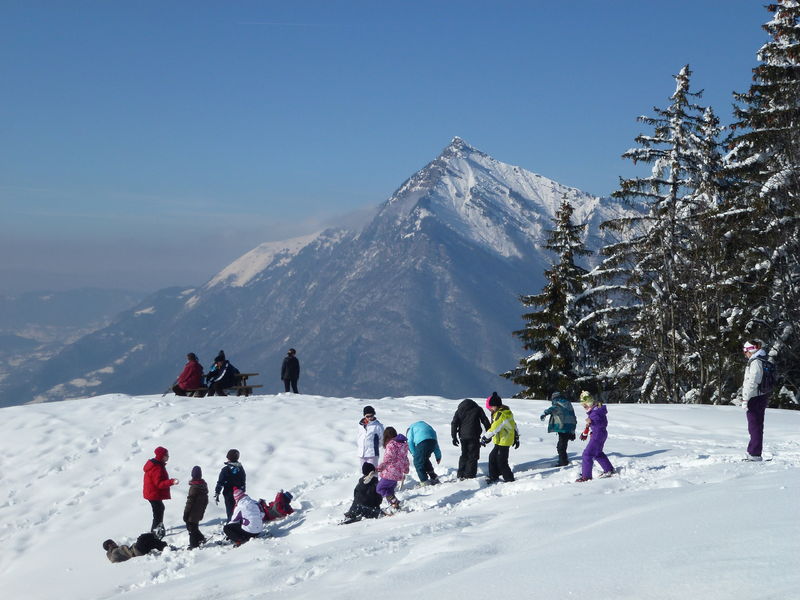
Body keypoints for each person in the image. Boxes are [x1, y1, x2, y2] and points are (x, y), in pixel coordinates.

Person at [575, 391, 615, 482]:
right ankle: (609, 469)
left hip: (598, 434)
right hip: (600, 433)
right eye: (582, 405)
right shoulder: (596, 410)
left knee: (587, 454)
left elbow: (602, 422)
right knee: (597, 453)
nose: (584, 407)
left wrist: (592, 421)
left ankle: (586, 476)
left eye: (585, 405)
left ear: (589, 403)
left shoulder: (595, 412)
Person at [480, 393, 518, 483]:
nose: (490, 409)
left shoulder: (501, 415)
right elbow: (515, 426)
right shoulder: (506, 412)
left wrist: (485, 438)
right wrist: (516, 437)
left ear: (496, 406)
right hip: (500, 441)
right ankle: (494, 476)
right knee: (492, 457)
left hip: (504, 442)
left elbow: (494, 428)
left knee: (502, 461)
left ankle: (509, 479)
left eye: (491, 407)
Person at [742, 340, 770, 461]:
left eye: (745, 351)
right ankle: (753, 452)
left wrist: (746, 398)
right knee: (756, 426)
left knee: (754, 426)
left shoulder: (756, 362)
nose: (745, 354)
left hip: (755, 397)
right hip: (759, 396)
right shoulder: (761, 360)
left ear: (750, 350)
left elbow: (753, 381)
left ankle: (754, 454)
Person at [142, 446, 179, 538]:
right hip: (153, 494)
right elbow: (159, 484)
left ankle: (157, 529)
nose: (168, 457)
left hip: (152, 493)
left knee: (159, 509)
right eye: (166, 455)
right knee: (158, 512)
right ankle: (155, 533)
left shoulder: (156, 464)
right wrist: (171, 481)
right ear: (161, 456)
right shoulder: (156, 467)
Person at [451, 398, 491, 479]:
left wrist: (454, 437)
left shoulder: (459, 410)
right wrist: (489, 434)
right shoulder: (478, 409)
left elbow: (454, 423)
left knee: (464, 454)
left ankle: (461, 474)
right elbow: (485, 421)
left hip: (463, 436)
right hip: (474, 435)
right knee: (473, 455)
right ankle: (469, 476)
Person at [375, 427, 409, 510]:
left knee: (380, 488)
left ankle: (395, 502)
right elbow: (405, 459)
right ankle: (395, 506)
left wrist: (379, 468)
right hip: (398, 474)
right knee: (389, 491)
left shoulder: (391, 444)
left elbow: (388, 459)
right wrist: (405, 468)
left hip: (389, 473)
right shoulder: (403, 445)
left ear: (386, 436)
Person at [541, 391, 578, 466]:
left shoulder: (557, 403)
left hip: (562, 427)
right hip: (569, 427)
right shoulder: (568, 404)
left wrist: (544, 413)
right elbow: (573, 416)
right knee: (563, 444)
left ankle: (563, 462)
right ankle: (563, 459)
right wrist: (573, 430)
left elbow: (552, 408)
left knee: (561, 446)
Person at [406, 420, 442, 485]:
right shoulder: (427, 427)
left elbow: (410, 443)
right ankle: (433, 477)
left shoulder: (410, 429)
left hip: (423, 442)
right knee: (425, 459)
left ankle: (424, 481)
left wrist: (414, 454)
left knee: (417, 462)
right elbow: (436, 445)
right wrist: (438, 456)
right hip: (432, 441)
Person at [215, 449, 246, 521]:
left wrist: (217, 492)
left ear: (228, 458)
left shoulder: (226, 469)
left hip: (229, 493)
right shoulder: (240, 468)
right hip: (239, 493)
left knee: (230, 510)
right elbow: (243, 481)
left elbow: (220, 482)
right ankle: (239, 524)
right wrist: (243, 490)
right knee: (238, 509)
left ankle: (231, 524)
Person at [183, 465, 208, 549]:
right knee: (194, 527)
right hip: (199, 511)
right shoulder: (203, 486)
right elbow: (206, 501)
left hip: (192, 512)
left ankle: (194, 544)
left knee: (191, 529)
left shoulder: (194, 487)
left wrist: (186, 513)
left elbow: (190, 501)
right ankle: (201, 538)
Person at [102, 533, 167, 563]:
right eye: (113, 542)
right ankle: (157, 535)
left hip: (138, 551)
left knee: (151, 542)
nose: (115, 543)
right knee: (142, 537)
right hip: (136, 550)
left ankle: (166, 548)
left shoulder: (114, 552)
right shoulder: (113, 554)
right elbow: (114, 559)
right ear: (109, 545)